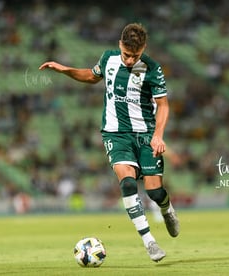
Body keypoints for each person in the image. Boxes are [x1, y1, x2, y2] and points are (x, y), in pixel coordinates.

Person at [39, 23, 179, 262]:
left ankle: (167, 209)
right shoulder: (108, 59)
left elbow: (163, 104)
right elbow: (91, 76)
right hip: (115, 134)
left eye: (134, 56)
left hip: (145, 135)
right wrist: (65, 70)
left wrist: (158, 135)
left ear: (143, 48)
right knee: (127, 184)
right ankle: (149, 242)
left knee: (155, 192)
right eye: (126, 54)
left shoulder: (153, 69)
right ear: (119, 46)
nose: (128, 60)